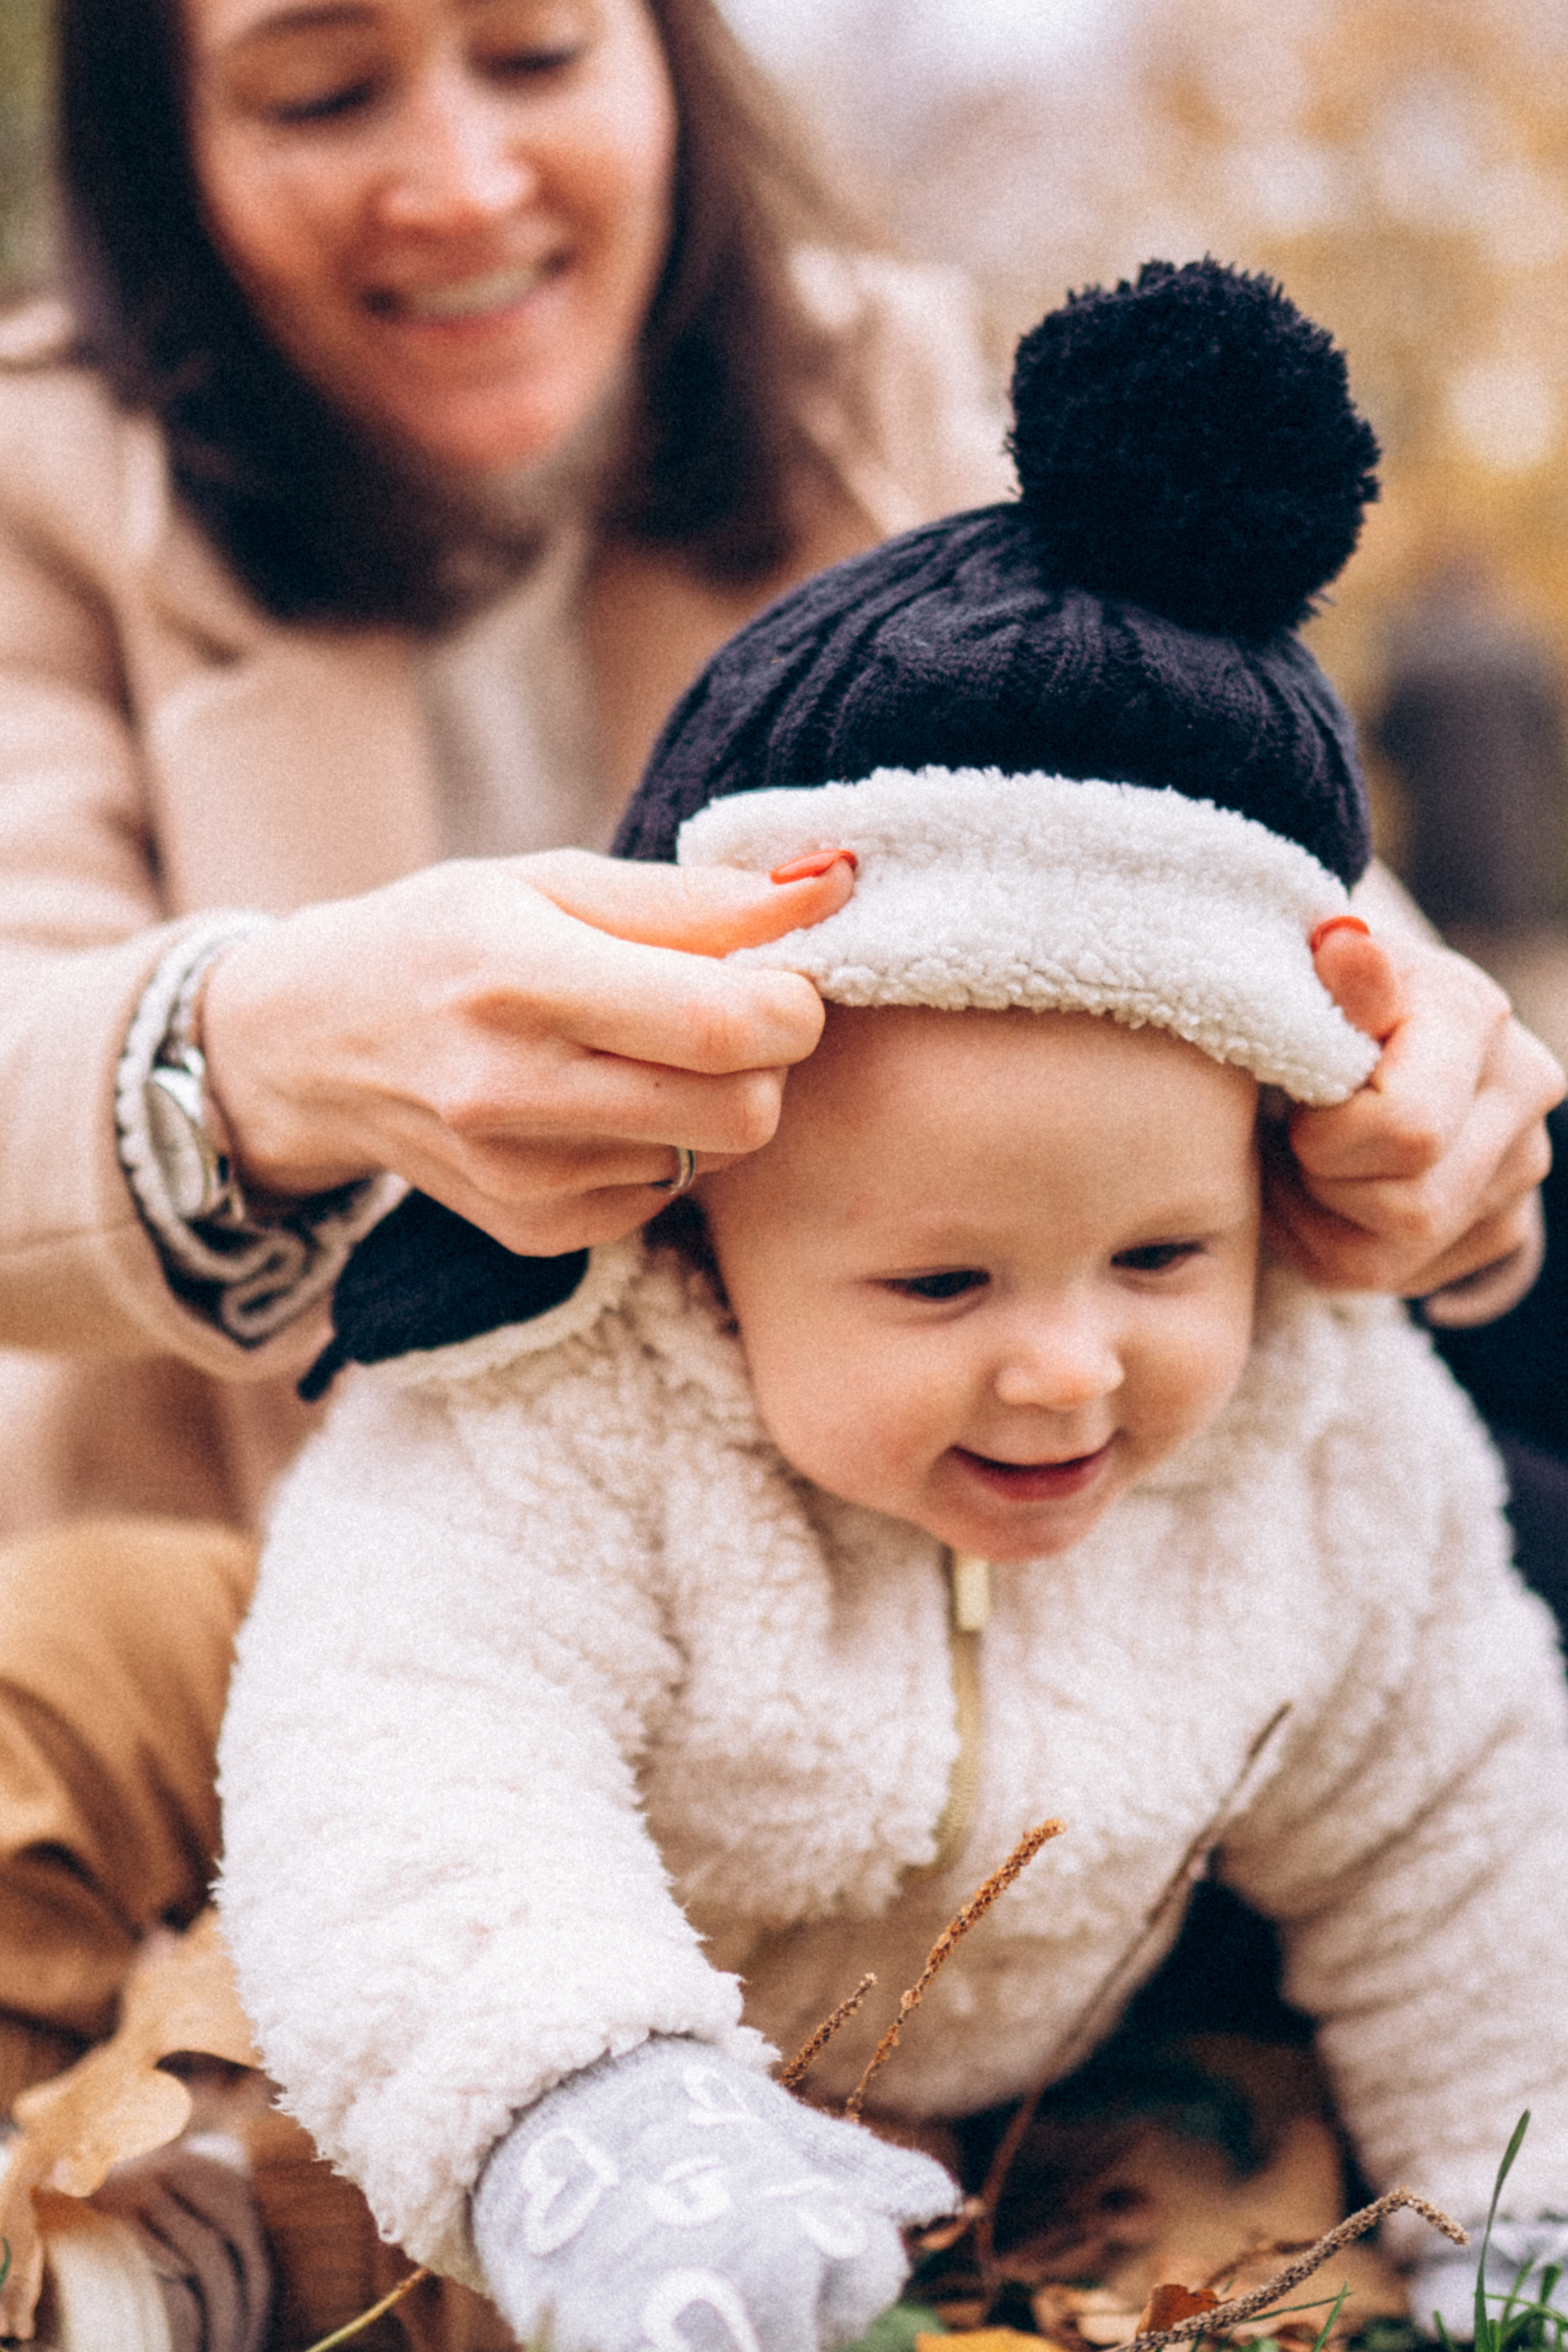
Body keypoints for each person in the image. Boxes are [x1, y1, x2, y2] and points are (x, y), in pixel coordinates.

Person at [219, 264, 1568, 2352]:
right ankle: (179, 2235)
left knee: (1227, 2161)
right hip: (554, 2012)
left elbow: (1456, 1828)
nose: (1065, 1361)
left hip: (1010, 2051)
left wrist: (1523, 2183)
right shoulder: (570, 1420)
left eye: (1161, 1258)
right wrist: (596, 2104)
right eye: (940, 1279)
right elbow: (414, 1758)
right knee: (279, 2021)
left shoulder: (1320, 1441)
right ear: (695, 1228)